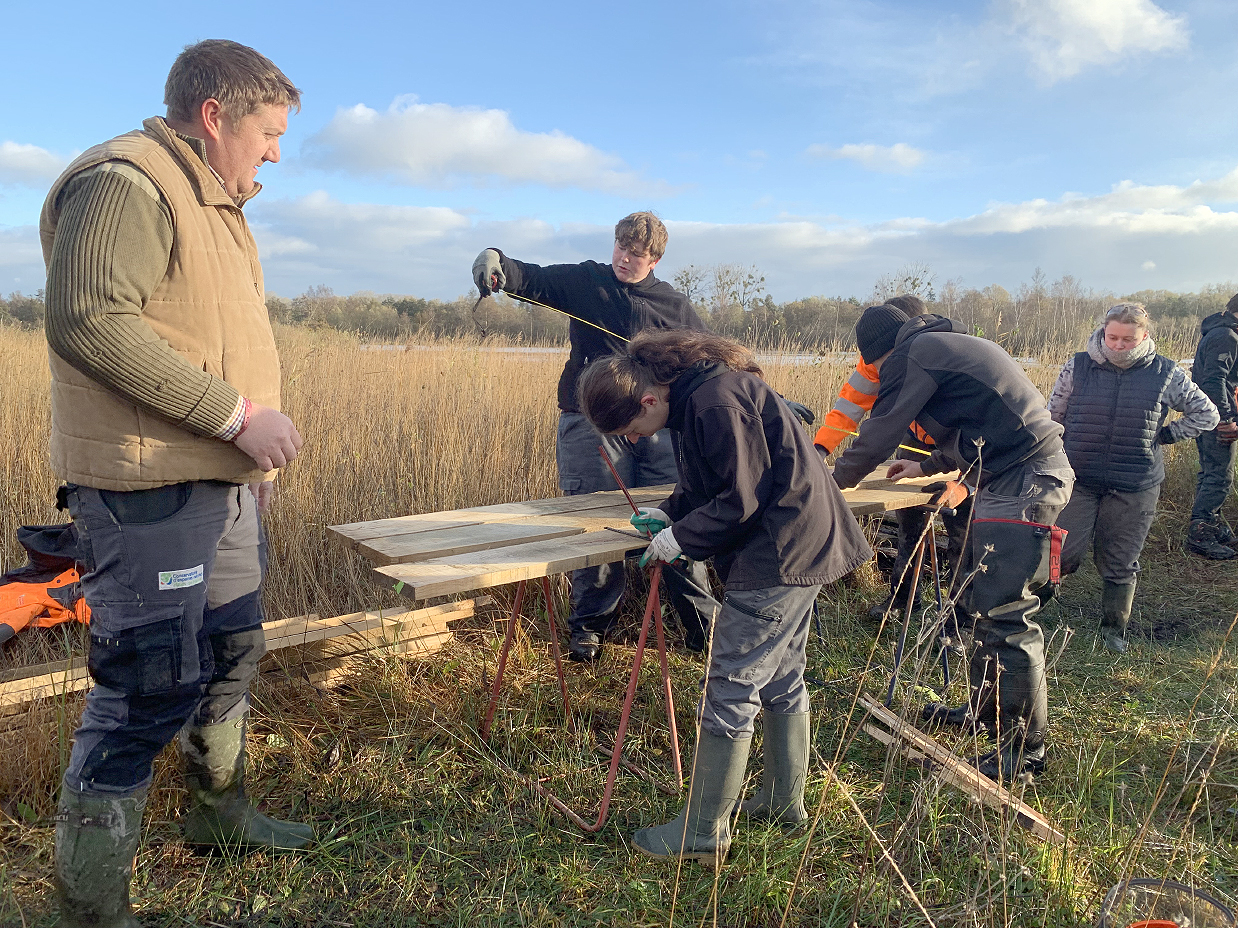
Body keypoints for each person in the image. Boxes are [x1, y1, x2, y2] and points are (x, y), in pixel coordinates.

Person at [40, 40, 310, 927]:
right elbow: (88, 319)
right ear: (214, 116)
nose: (275, 151)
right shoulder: (127, 182)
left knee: (234, 648)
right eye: (268, 132)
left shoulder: (218, 205)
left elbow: (204, 333)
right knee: (143, 687)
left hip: (218, 488)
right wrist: (237, 419)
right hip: (147, 490)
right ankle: (89, 909)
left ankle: (218, 816)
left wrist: (244, 456)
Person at [576, 330, 871, 865]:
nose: (637, 441)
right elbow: (709, 480)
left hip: (782, 551)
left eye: (632, 429)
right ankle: (784, 805)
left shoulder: (715, 401)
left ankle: (704, 834)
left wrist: (679, 540)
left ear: (648, 400)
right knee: (782, 676)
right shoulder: (697, 395)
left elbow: (740, 501)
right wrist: (671, 511)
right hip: (799, 542)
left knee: (731, 685)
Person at [831, 306, 1074, 781]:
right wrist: (927, 465)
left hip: (1026, 482)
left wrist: (828, 484)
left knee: (1005, 618)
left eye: (874, 370)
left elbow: (879, 432)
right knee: (982, 607)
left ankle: (1022, 751)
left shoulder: (913, 354)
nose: (878, 379)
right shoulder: (944, 346)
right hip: (1014, 475)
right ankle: (985, 714)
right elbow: (987, 426)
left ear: (880, 353)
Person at [471, 213, 720, 662]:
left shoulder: (675, 306)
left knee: (680, 520)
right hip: (591, 424)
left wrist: (769, 400)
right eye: (620, 248)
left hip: (660, 429)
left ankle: (703, 628)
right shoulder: (587, 281)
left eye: (637, 254)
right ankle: (588, 630)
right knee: (591, 523)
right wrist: (497, 263)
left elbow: (712, 362)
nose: (624, 259)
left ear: (656, 260)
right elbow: (533, 279)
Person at [1049, 303, 1218, 652]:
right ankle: (1035, 612)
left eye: (1128, 339)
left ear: (1144, 336)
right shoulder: (1077, 366)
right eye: (1113, 337)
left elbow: (1207, 414)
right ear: (1103, 332)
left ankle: (1114, 630)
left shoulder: (1166, 373)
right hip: (1079, 477)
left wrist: (1168, 435)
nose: (1119, 345)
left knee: (1120, 560)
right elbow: (1053, 416)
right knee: (1062, 552)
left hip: (1135, 482)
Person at [812, 295, 972, 621]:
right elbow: (847, 410)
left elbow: (878, 438)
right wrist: (818, 452)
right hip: (913, 447)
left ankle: (961, 617)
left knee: (962, 530)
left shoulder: (950, 352)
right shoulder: (874, 361)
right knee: (909, 530)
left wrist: (838, 480)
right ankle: (902, 601)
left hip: (963, 451)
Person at [1185, 293, 1238, 559]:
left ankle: (1213, 526)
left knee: (1210, 473)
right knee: (1220, 475)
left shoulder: (1222, 333)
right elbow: (1214, 380)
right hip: (1216, 417)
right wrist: (1226, 419)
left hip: (1209, 415)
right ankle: (1201, 533)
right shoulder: (1226, 336)